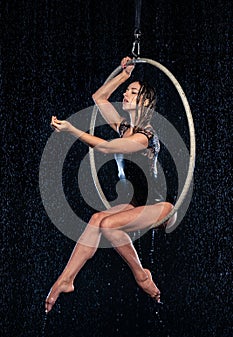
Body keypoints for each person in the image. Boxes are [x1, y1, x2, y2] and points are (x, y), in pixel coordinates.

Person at [45, 57, 176, 313]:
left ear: (145, 102)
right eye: (127, 91)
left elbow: (105, 148)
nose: (126, 94)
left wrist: (72, 130)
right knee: (96, 220)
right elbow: (99, 98)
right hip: (135, 203)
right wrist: (124, 75)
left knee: (107, 224)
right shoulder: (125, 127)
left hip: (161, 207)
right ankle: (66, 279)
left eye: (133, 92)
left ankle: (141, 275)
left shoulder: (145, 137)